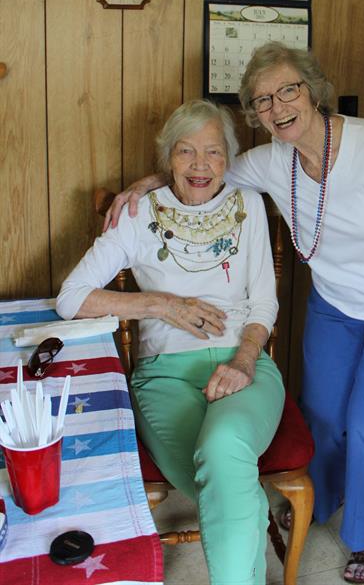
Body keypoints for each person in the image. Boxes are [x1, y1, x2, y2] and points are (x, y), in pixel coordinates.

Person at [105, 43, 364, 584]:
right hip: (336, 303)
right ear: (254, 113)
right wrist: (149, 184)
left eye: (288, 90)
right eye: (262, 100)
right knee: (325, 414)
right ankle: (323, 502)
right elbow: (201, 169)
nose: (278, 106)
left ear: (312, 91)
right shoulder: (269, 161)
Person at [56, 99, 285, 585]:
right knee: (231, 487)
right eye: (186, 152)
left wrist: (245, 359)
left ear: (230, 157)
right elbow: (70, 299)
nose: (200, 165)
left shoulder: (249, 205)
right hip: (163, 376)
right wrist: (160, 304)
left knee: (222, 452)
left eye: (213, 152)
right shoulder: (137, 214)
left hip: (244, 365)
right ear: (168, 158)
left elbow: (264, 302)